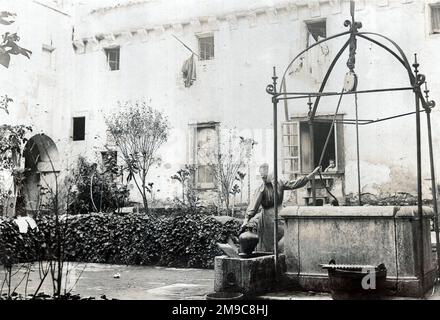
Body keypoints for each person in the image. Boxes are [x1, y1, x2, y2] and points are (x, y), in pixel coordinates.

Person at [240, 163, 321, 253]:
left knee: (284, 236)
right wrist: (246, 219)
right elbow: (253, 205)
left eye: (265, 176)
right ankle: (270, 258)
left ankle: (283, 256)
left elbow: (294, 184)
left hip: (280, 214)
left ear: (270, 174)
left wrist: (311, 175)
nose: (264, 178)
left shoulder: (280, 183)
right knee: (269, 243)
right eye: (262, 177)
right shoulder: (261, 188)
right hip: (267, 219)